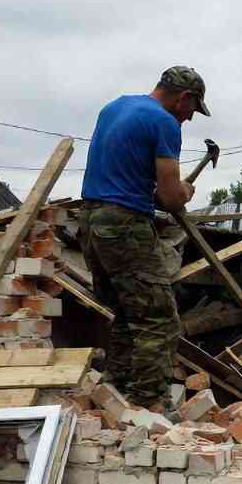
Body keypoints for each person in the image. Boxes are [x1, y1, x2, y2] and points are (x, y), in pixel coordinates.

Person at [77, 66, 210, 409]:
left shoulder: (115, 107)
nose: (189, 118)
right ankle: (149, 404)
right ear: (184, 97)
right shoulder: (164, 123)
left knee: (126, 311)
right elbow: (170, 199)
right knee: (159, 319)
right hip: (124, 224)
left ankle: (115, 392)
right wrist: (185, 191)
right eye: (193, 109)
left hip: (90, 219)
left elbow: (127, 174)